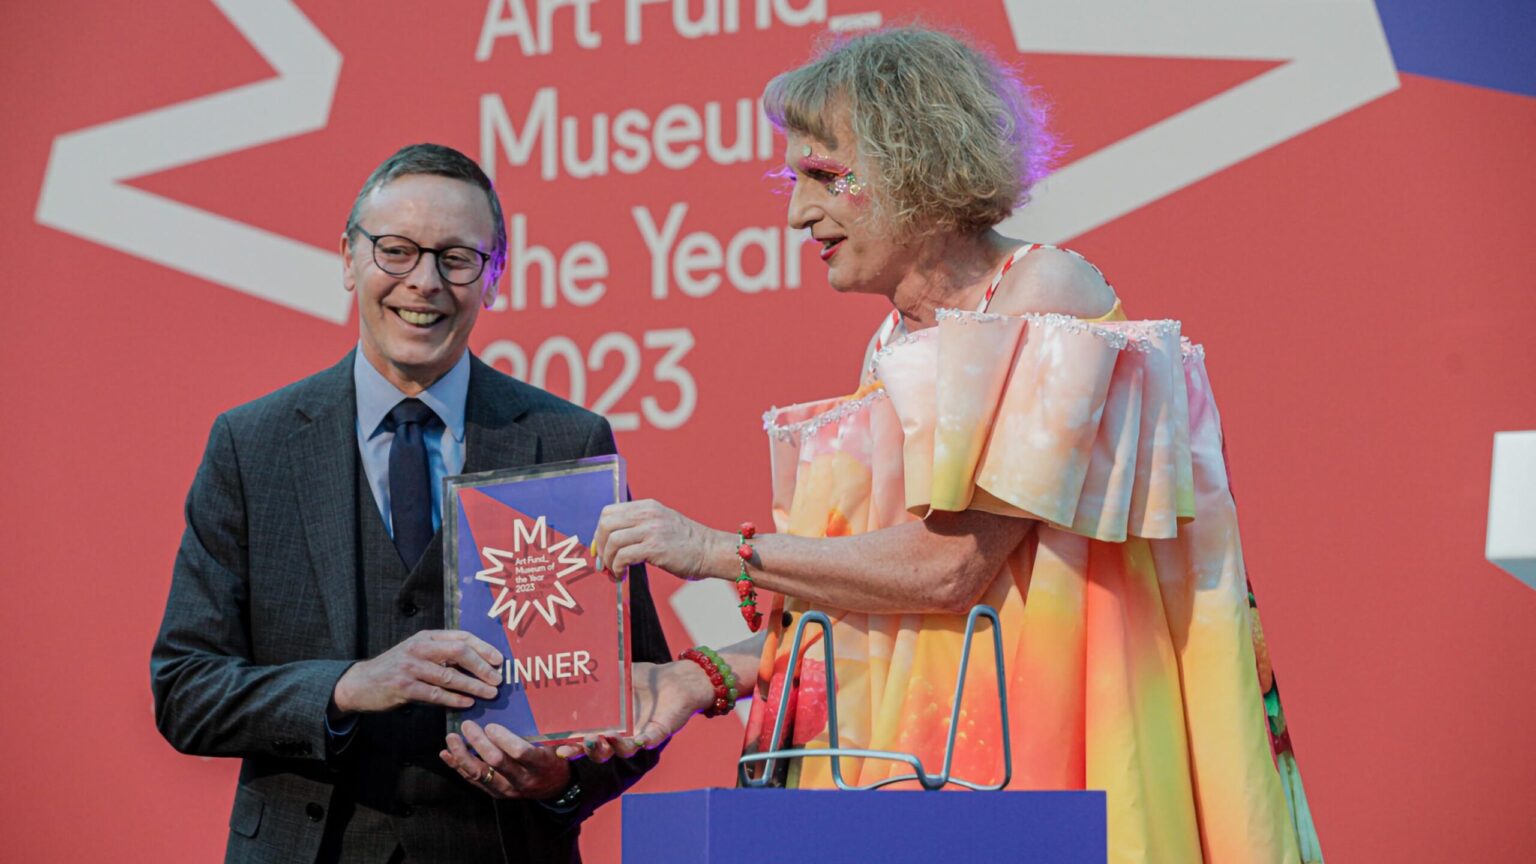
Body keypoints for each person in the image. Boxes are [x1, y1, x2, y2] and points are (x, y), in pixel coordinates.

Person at [568, 27, 1323, 864]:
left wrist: (714, 550)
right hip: (934, 766)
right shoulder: (892, 343)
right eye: (793, 181)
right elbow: (878, 611)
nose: (796, 214)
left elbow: (951, 569)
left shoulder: (1046, 291)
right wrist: (699, 676)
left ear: (917, 161)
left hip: (1048, 767)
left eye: (823, 177)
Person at [151, 143, 671, 864]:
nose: (424, 282)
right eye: (395, 251)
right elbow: (186, 689)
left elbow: (641, 689)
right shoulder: (253, 446)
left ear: (494, 277)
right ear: (348, 259)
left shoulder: (566, 440)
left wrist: (562, 782)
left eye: (456, 259)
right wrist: (346, 686)